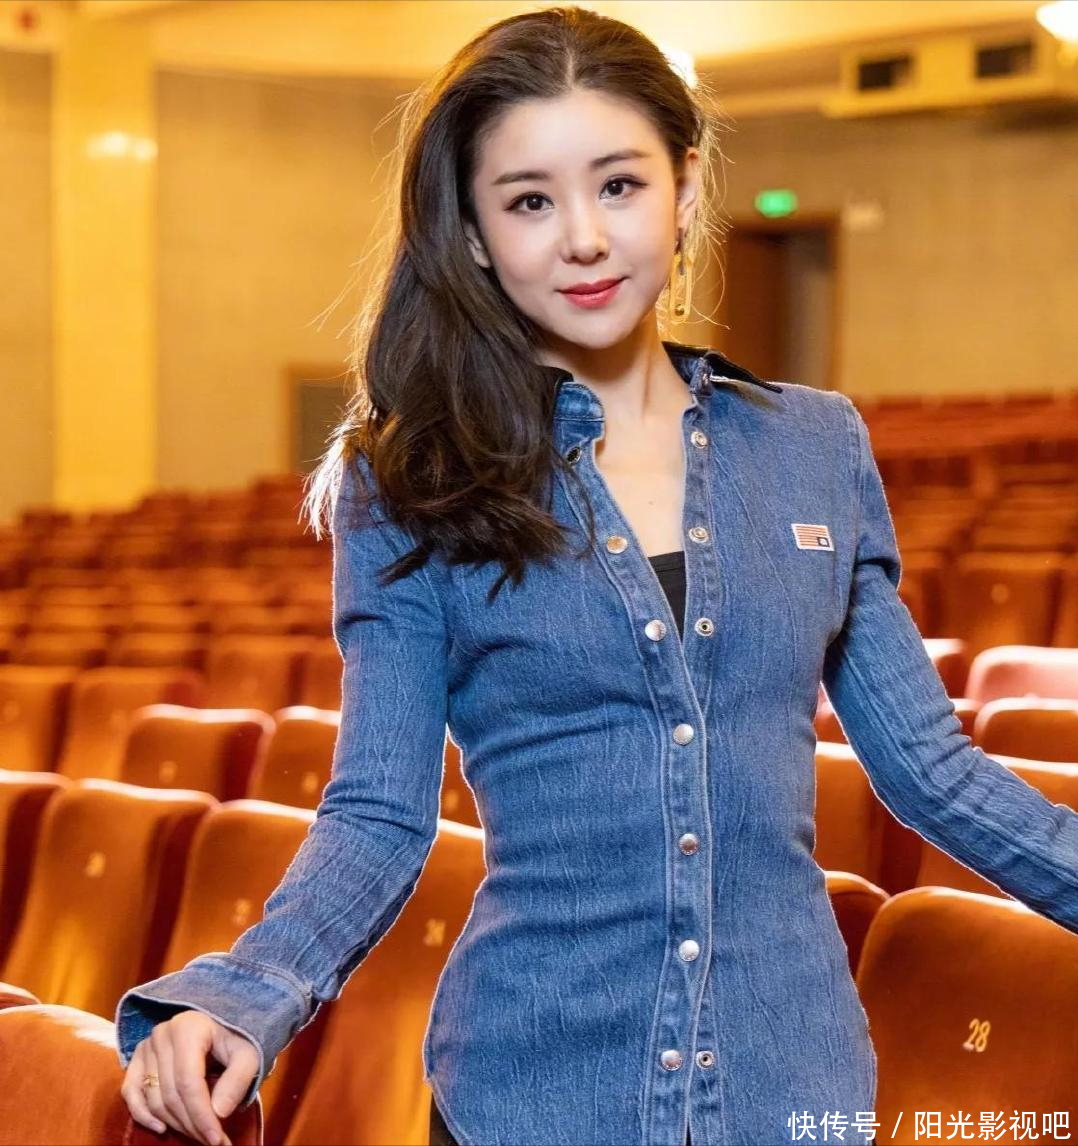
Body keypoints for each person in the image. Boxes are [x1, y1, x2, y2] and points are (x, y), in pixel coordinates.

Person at [115, 7, 1078, 1146]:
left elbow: (931, 771)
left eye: (618, 185)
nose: (583, 237)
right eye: (529, 201)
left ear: (684, 185)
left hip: (788, 1085)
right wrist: (246, 992)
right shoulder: (411, 482)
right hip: (532, 1091)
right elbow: (378, 813)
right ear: (475, 234)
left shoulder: (816, 447)